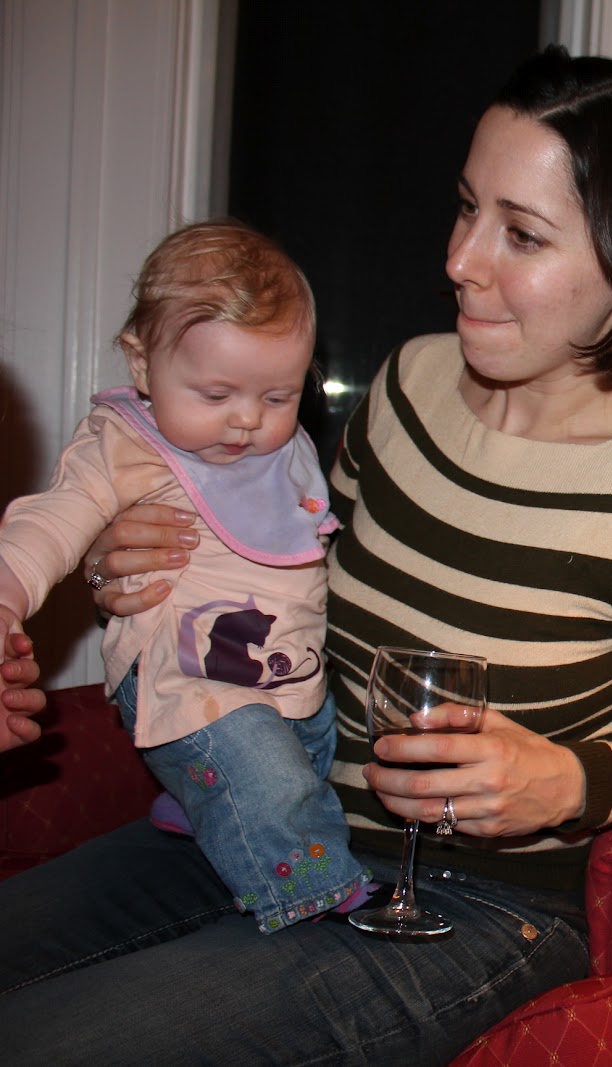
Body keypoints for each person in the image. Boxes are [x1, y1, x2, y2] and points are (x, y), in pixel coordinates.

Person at [0, 46, 612, 1066]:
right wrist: (138, 560)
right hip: (275, 818)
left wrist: (567, 780)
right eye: (466, 207)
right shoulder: (409, 384)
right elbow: (292, 577)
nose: (460, 259)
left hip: (482, 902)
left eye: (520, 233)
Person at [0, 220, 368, 933]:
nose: (246, 420)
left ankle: (201, 803)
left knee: (304, 753)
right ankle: (317, 896)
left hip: (286, 672)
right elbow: (48, 524)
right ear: (143, 365)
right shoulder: (123, 445)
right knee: (267, 775)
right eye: (216, 393)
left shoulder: (283, 449)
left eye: (278, 397)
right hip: (185, 675)